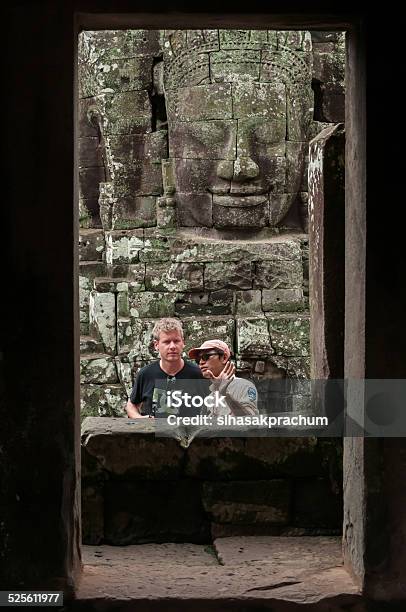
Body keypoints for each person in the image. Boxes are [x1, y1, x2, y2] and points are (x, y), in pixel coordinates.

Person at [126, 318, 204, 418]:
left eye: (176, 341)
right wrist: (140, 419)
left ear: (183, 343)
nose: (172, 346)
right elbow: (131, 405)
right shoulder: (146, 374)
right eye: (167, 342)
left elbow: (214, 407)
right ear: (156, 345)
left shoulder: (197, 374)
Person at [188, 340, 259, 417]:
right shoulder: (210, 397)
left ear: (224, 358)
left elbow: (250, 421)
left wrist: (225, 394)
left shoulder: (243, 386)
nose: (201, 362)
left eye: (205, 357)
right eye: (198, 360)